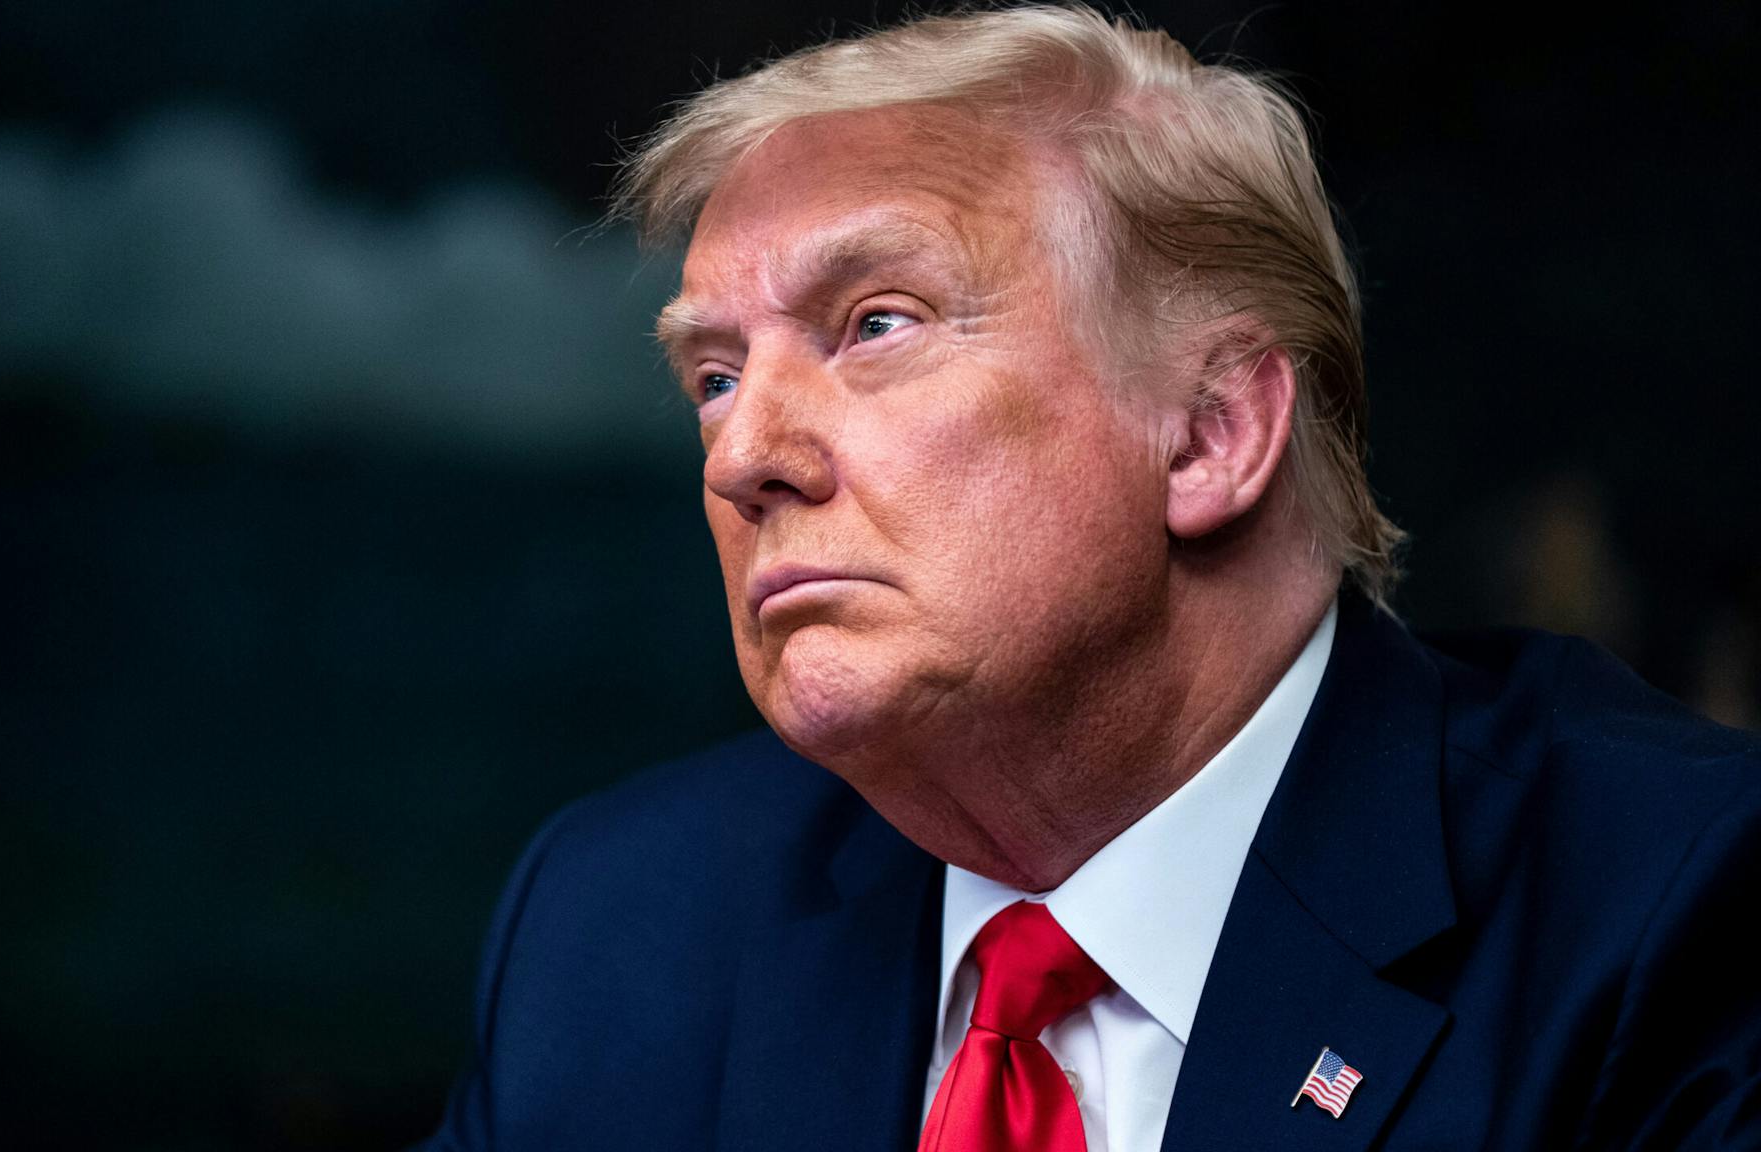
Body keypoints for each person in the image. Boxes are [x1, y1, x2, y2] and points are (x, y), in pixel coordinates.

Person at [420, 6, 1761, 1150]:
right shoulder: (621, 926)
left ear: (1213, 432)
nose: (744, 458)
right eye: (715, 378)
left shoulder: (1675, 908)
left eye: (876, 324)